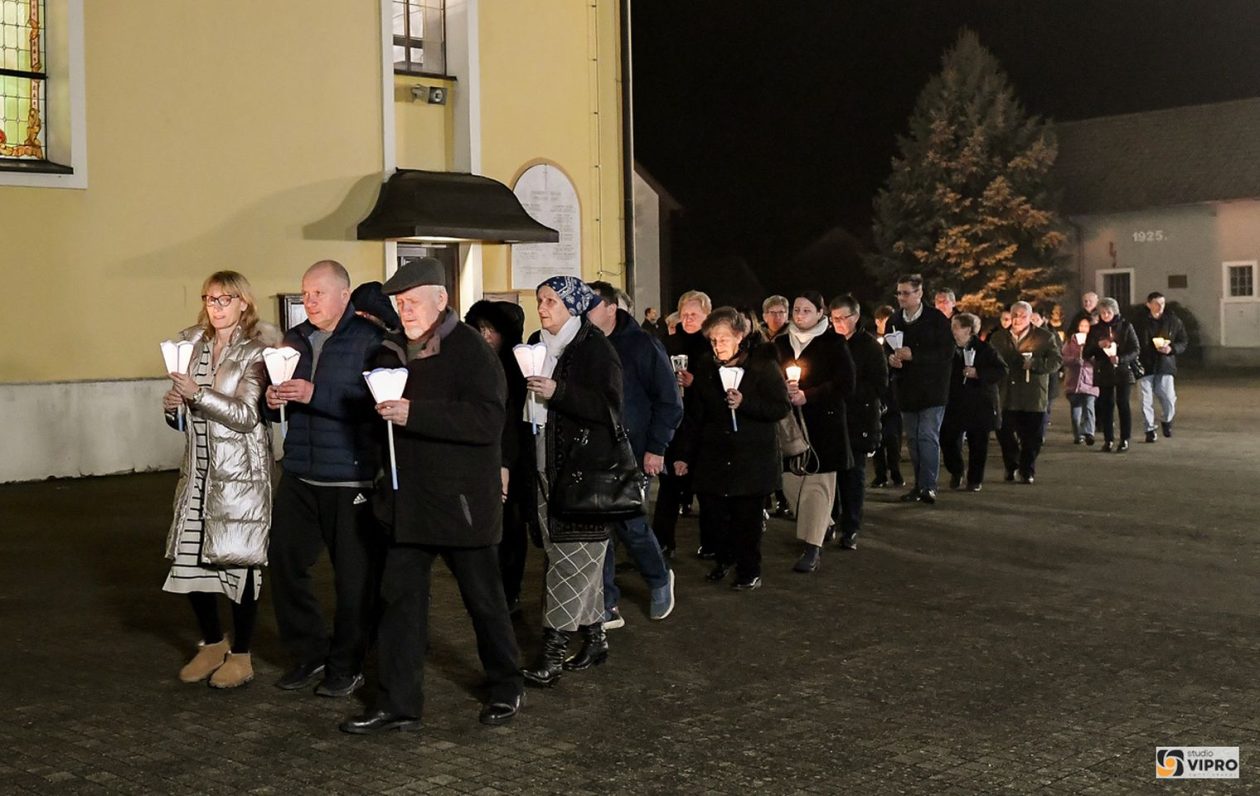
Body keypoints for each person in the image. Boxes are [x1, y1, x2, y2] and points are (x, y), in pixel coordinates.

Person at [339, 259, 523, 733]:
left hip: (462, 504)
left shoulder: (471, 351)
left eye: (413, 302)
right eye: (399, 304)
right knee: (399, 602)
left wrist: (414, 414)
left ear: (441, 300)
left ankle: (506, 685)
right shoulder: (393, 348)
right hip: (409, 503)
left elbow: (487, 421)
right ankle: (398, 701)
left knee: (484, 600)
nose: (406, 311)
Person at [266, 260, 385, 698]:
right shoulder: (294, 340)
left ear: (344, 295)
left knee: (353, 578)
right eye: (305, 293)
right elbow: (273, 403)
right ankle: (308, 651)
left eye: (318, 293)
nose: (309, 302)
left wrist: (316, 395)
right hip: (300, 470)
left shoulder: (369, 340)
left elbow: (375, 403)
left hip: (349, 478)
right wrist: (271, 396)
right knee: (284, 563)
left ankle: (347, 663)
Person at [162, 271, 276, 689]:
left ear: (244, 302)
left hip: (239, 474)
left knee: (238, 564)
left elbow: (247, 417)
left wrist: (195, 394)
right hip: (199, 469)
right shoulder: (192, 346)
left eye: (225, 299)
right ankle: (212, 643)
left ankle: (242, 654)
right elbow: (181, 416)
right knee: (190, 558)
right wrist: (173, 404)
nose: (216, 306)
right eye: (210, 298)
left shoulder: (257, 353)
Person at [520, 277, 623, 688]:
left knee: (569, 559)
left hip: (584, 471)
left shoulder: (594, 349)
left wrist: (559, 391)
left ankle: (553, 652)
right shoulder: (538, 343)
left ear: (573, 307)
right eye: (539, 300)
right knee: (573, 554)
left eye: (551, 301)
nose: (542, 308)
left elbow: (610, 408)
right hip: (547, 463)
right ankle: (595, 637)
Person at [588, 281, 682, 629]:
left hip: (633, 448)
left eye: (592, 303)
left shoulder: (642, 345)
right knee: (599, 526)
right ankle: (607, 602)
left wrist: (656, 448)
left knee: (631, 523)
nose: (583, 309)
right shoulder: (583, 343)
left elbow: (669, 400)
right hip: (594, 450)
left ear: (612, 308)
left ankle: (658, 578)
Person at [674, 308, 789, 590]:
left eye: (724, 338)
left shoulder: (762, 365)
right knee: (716, 516)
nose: (718, 345)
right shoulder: (706, 367)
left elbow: (780, 407)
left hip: (751, 457)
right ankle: (724, 560)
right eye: (713, 339)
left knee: (746, 520)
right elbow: (696, 415)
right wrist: (684, 455)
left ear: (740, 335)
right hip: (714, 455)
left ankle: (750, 570)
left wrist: (745, 403)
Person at [774, 290, 855, 573]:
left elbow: (846, 383)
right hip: (789, 425)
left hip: (824, 423)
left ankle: (812, 548)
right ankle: (825, 525)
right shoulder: (781, 342)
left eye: (806, 310)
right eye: (796, 310)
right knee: (790, 481)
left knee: (819, 485)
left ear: (820, 312)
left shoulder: (833, 342)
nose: (799, 315)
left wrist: (811, 395)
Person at [464, 299, 532, 615]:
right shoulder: (476, 362)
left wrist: (505, 463)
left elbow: (513, 421)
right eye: (480, 329)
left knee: (511, 527)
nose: (485, 336)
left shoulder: (516, 367)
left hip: (512, 461)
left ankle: (508, 590)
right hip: (484, 457)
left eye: (490, 330)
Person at [885, 275, 954, 504]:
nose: (901, 297)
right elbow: (887, 348)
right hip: (906, 389)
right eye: (899, 293)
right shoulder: (893, 320)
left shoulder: (936, 320)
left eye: (906, 293)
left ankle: (929, 486)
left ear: (919, 293)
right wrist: (891, 360)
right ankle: (918, 484)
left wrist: (915, 355)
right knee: (913, 440)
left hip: (932, 390)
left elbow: (945, 353)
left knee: (927, 436)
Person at [654, 290, 711, 558]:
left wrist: (695, 383)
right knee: (669, 484)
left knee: (705, 485)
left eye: (694, 315)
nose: (688, 319)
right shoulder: (669, 342)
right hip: (676, 419)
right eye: (685, 314)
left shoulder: (712, 344)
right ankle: (663, 541)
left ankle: (711, 543)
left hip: (703, 422)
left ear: (706, 316)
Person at [829, 295, 887, 548]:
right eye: (835, 318)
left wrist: (848, 388)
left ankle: (851, 526)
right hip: (832, 417)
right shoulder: (829, 344)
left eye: (844, 317)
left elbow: (880, 384)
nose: (839, 323)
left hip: (858, 418)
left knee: (853, 475)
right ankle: (829, 521)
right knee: (830, 475)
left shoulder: (869, 346)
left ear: (856, 316)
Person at [991, 302, 1062, 484]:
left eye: (1022, 316)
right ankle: (1011, 464)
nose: (1017, 319)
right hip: (1007, 394)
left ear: (1030, 318)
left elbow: (1056, 361)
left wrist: (1036, 364)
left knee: (1032, 437)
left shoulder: (1044, 337)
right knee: (1005, 433)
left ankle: (1027, 468)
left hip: (1032, 395)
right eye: (1015, 315)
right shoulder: (998, 338)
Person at [940, 312, 1006, 492]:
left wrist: (979, 373)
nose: (952, 330)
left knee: (978, 443)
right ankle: (956, 470)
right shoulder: (948, 349)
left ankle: (975, 480)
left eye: (955, 326)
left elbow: (1001, 370)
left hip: (979, 402)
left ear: (968, 330)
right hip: (954, 403)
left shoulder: (985, 349)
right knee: (947, 439)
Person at [1084, 297, 1140, 453]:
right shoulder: (1095, 330)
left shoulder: (1126, 326)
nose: (1105, 315)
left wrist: (1121, 358)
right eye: (1102, 312)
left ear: (1115, 312)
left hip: (1123, 371)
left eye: (1108, 312)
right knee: (1106, 405)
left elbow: (1135, 349)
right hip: (1104, 371)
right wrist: (1097, 345)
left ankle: (1124, 439)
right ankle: (1108, 439)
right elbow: (1086, 353)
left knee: (1123, 404)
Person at [1134, 292, 1188, 442]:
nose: (1160, 307)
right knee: (1145, 400)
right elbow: (1132, 341)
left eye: (1162, 303)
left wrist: (1172, 349)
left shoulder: (1173, 321)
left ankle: (1167, 419)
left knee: (1169, 398)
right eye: (1156, 303)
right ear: (1148, 304)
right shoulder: (1139, 322)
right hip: (1145, 364)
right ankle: (1149, 429)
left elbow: (1183, 341)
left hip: (1165, 364)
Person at [870, 305, 903, 488]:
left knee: (893, 437)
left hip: (894, 396)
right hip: (878, 395)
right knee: (878, 438)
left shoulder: (897, 340)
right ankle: (880, 473)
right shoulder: (871, 341)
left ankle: (895, 470)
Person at [1061, 316, 1099, 445]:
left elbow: (1099, 358)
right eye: (1081, 326)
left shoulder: (1094, 342)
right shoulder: (1071, 342)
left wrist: (1092, 360)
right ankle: (1078, 434)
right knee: (1076, 411)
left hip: (1090, 380)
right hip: (1074, 380)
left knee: (1089, 407)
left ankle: (1089, 433)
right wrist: (1074, 360)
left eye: (1086, 326)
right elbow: (1063, 358)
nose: (1084, 329)